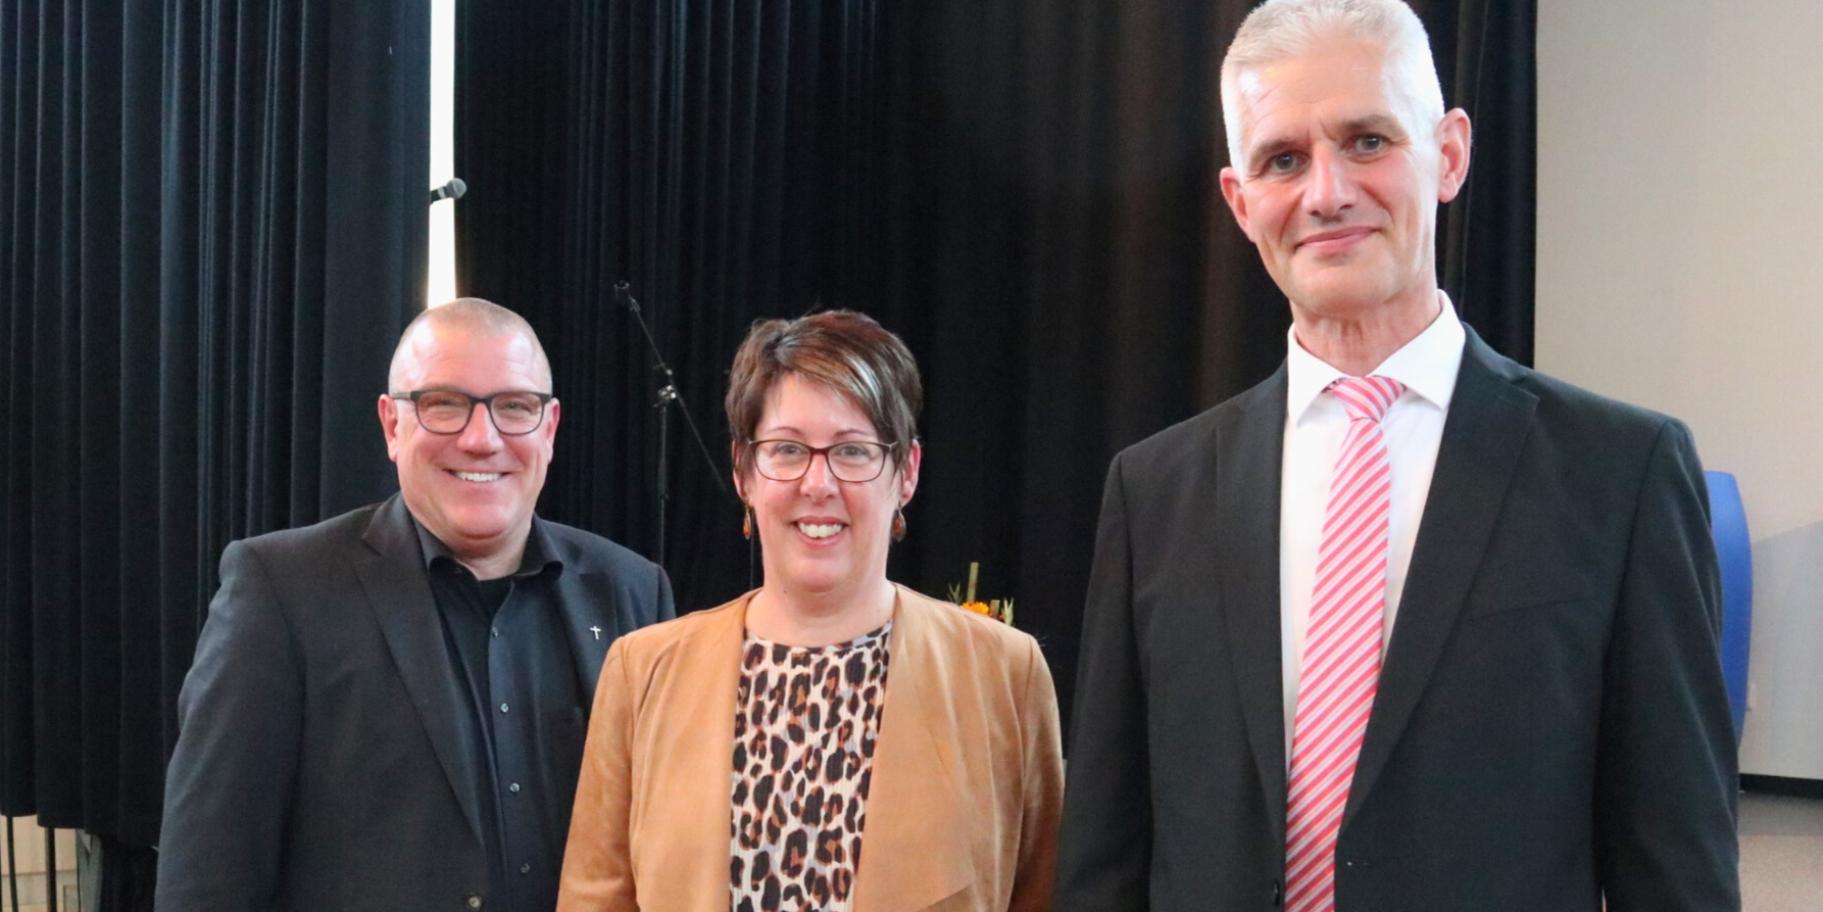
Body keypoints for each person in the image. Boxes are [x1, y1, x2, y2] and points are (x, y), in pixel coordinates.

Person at [1053, 1, 1739, 910]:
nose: (1326, 192)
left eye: (1368, 140)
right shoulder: (1155, 491)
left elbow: (1676, 861)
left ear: (1448, 153)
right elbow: (1108, 847)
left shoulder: (1621, 474)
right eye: (1282, 159)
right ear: (1238, 200)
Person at [156, 298, 675, 911]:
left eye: (514, 407)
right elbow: (207, 880)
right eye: (444, 405)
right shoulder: (282, 593)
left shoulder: (632, 591)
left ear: (550, 428)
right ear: (392, 425)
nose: (482, 440)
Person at [557, 310, 1063, 912]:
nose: (818, 483)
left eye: (852, 451)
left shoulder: (1004, 673)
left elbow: (1047, 893)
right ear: (744, 471)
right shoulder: (643, 672)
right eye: (788, 449)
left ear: (906, 473)